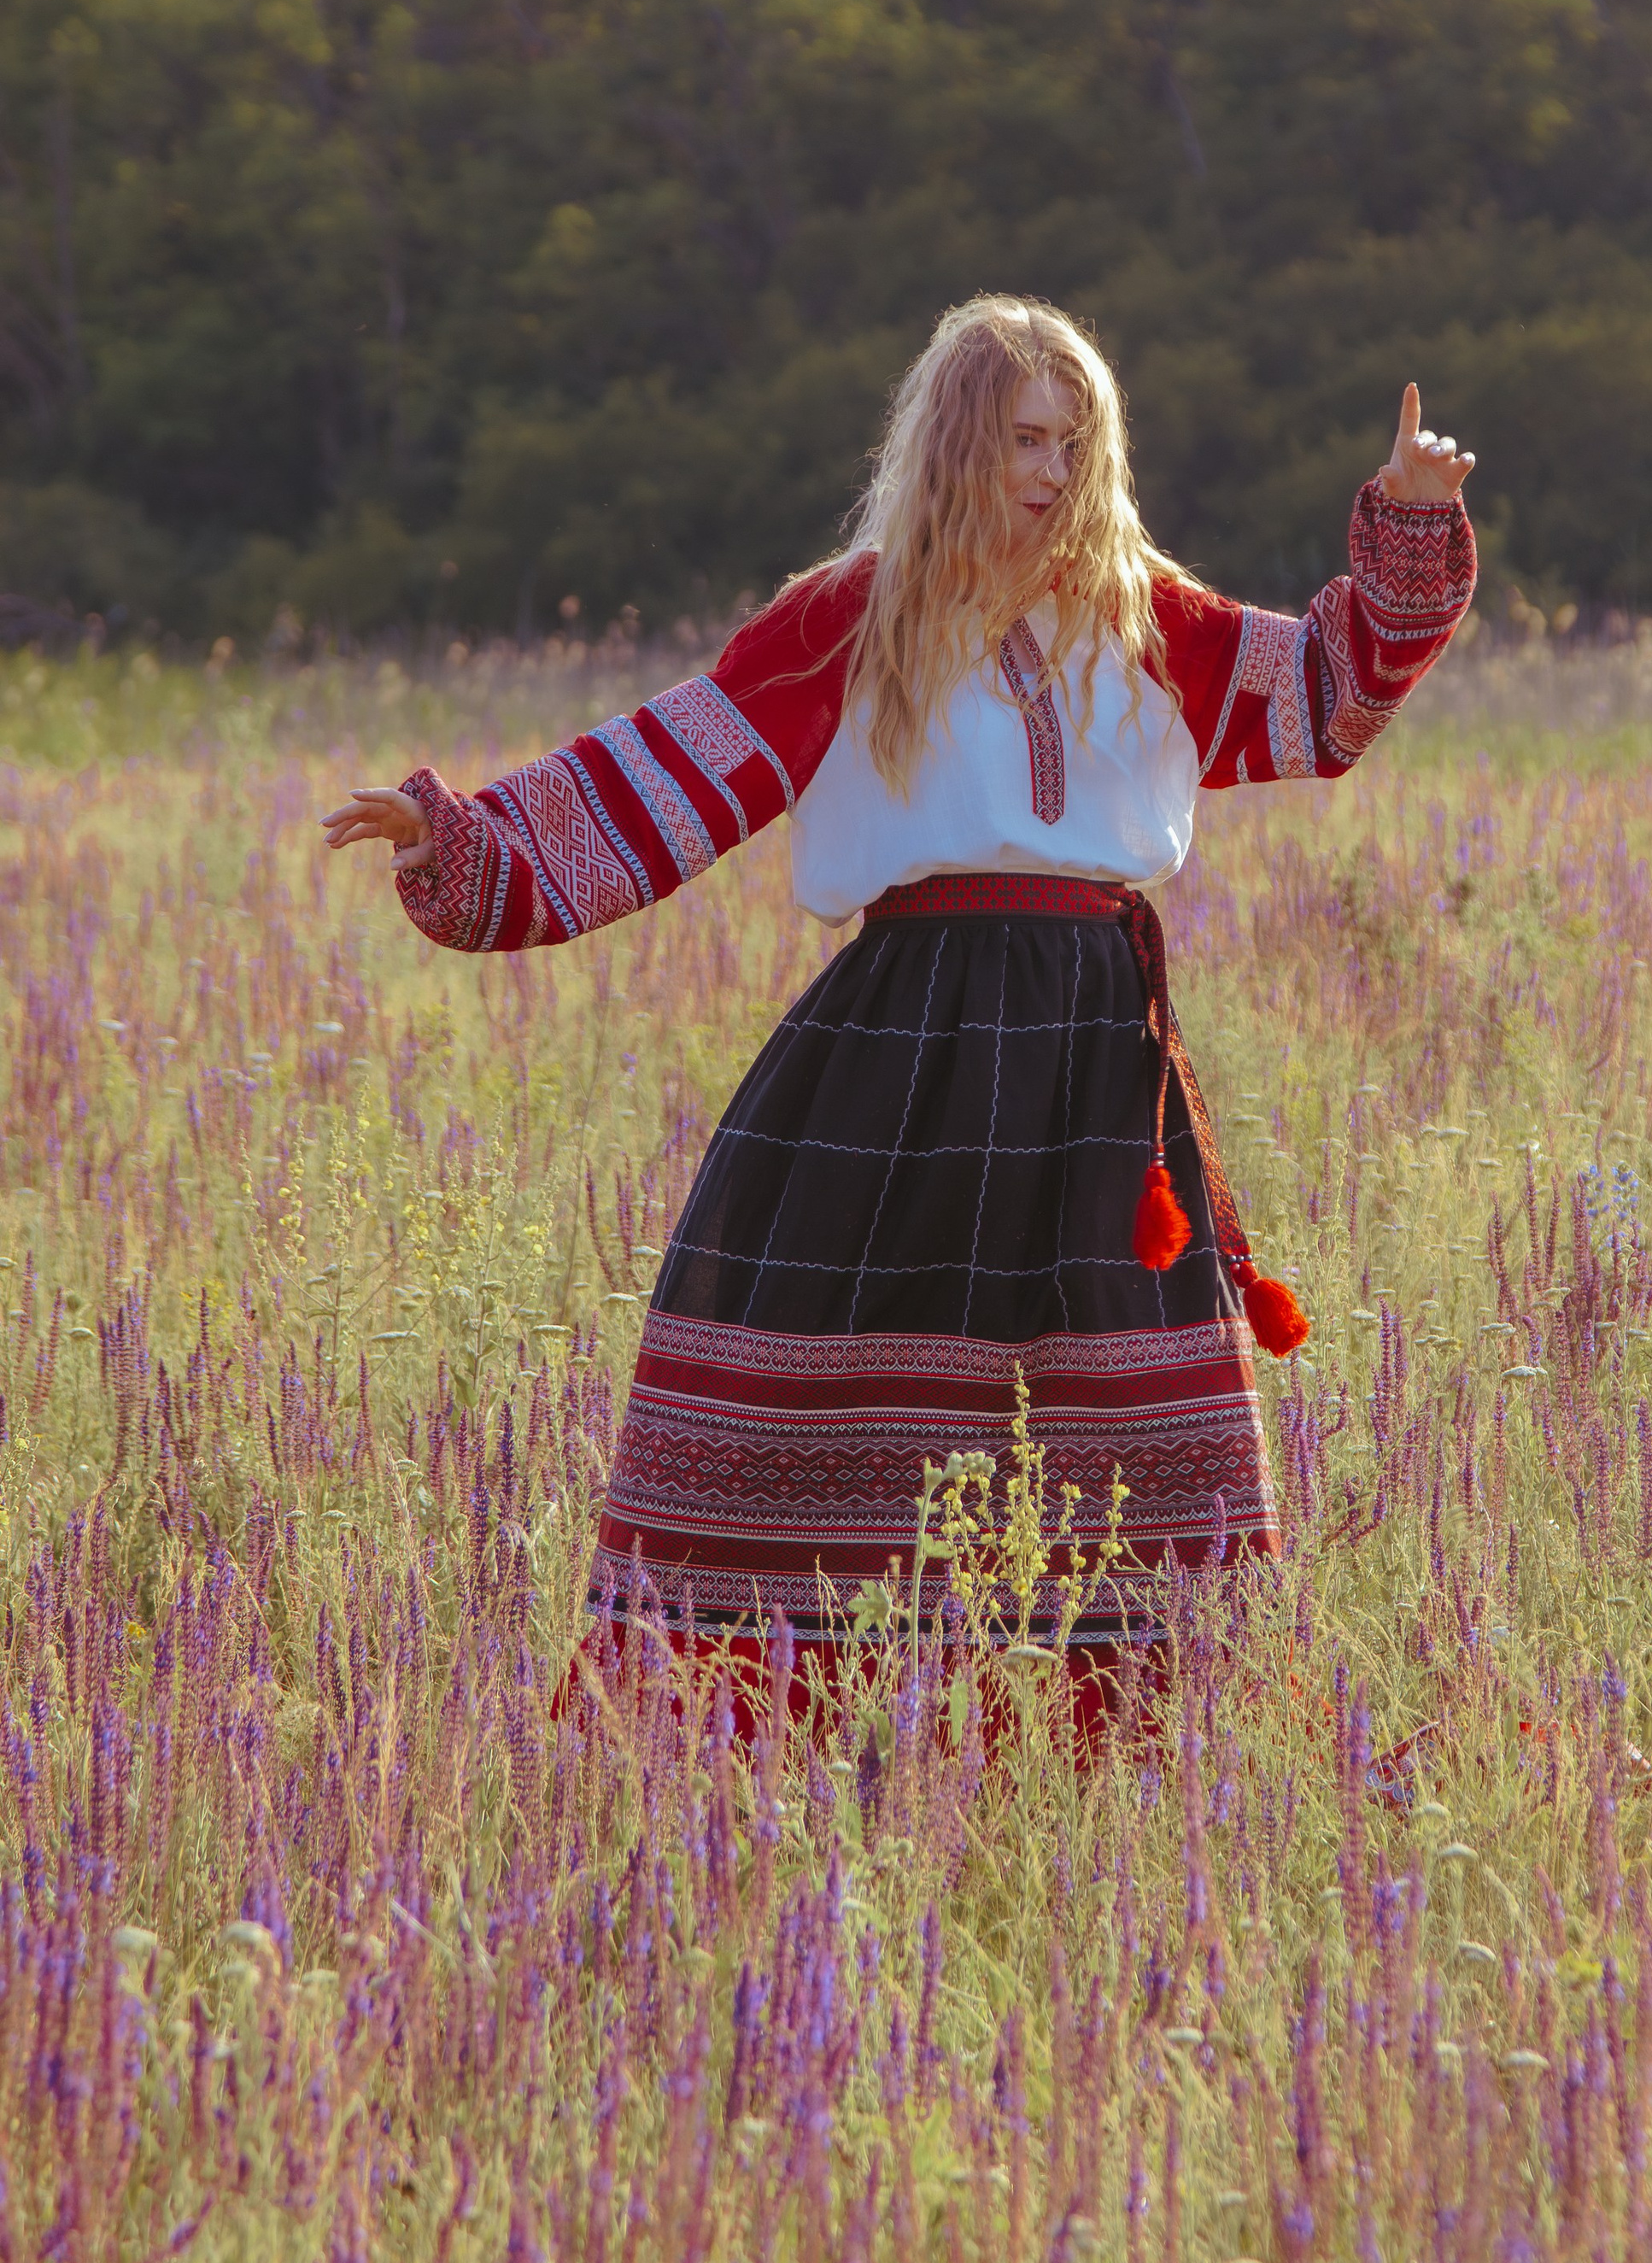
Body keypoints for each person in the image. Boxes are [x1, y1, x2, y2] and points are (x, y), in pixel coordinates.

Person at [323, 297, 1475, 1729]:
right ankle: (752, 1738)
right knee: (824, 1410)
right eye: (1016, 440)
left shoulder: (1143, 618)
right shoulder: (847, 621)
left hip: (1098, 1066)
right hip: (898, 1051)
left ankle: (1124, 1762)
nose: (1047, 472)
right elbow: (661, 783)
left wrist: (1409, 528)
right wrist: (468, 843)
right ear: (953, 447)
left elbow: (1322, 695)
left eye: (1070, 440)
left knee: (1114, 1437)